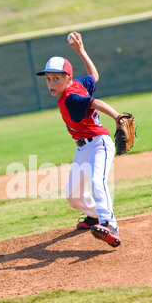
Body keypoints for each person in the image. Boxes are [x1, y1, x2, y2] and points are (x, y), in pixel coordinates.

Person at [36, 32, 122, 247]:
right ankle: (93, 216)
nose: (51, 83)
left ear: (68, 79)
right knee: (73, 195)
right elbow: (94, 76)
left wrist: (117, 117)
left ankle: (109, 225)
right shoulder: (78, 84)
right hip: (83, 149)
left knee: (97, 181)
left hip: (99, 144)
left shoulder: (71, 97)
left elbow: (96, 102)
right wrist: (81, 51)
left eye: (56, 78)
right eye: (48, 78)